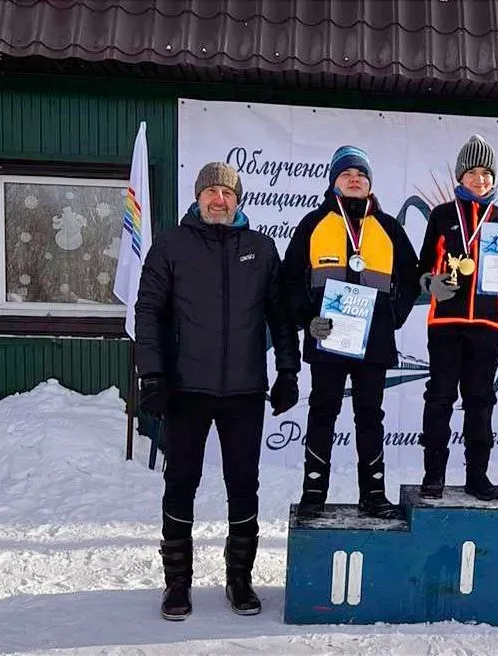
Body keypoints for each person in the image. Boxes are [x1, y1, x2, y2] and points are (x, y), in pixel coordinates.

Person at [135, 162, 301, 621]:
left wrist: (288, 371)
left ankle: (240, 579)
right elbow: (147, 311)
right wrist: (152, 376)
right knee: (180, 483)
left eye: (226, 192)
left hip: (245, 392)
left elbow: (281, 319)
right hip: (186, 389)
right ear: (198, 197)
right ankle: (177, 585)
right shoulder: (171, 245)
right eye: (210, 191)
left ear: (238, 198)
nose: (218, 200)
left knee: (244, 485)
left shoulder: (262, 249)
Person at [282, 145, 421, 519]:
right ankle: (314, 491)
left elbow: (411, 276)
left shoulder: (389, 227)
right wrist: (306, 318)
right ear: (334, 182)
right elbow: (290, 279)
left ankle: (374, 493)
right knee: (323, 411)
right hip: (327, 335)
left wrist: (393, 314)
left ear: (370, 183)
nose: (354, 179)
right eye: (346, 174)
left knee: (369, 414)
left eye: (361, 174)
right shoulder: (313, 223)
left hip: (373, 341)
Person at [417, 134, 498, 501]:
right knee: (439, 398)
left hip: (487, 325)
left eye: (486, 173)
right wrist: (431, 282)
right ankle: (434, 475)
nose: (480, 179)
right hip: (445, 323)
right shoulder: (442, 215)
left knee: (481, 400)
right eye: (472, 172)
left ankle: (478, 476)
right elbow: (423, 266)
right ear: (460, 176)